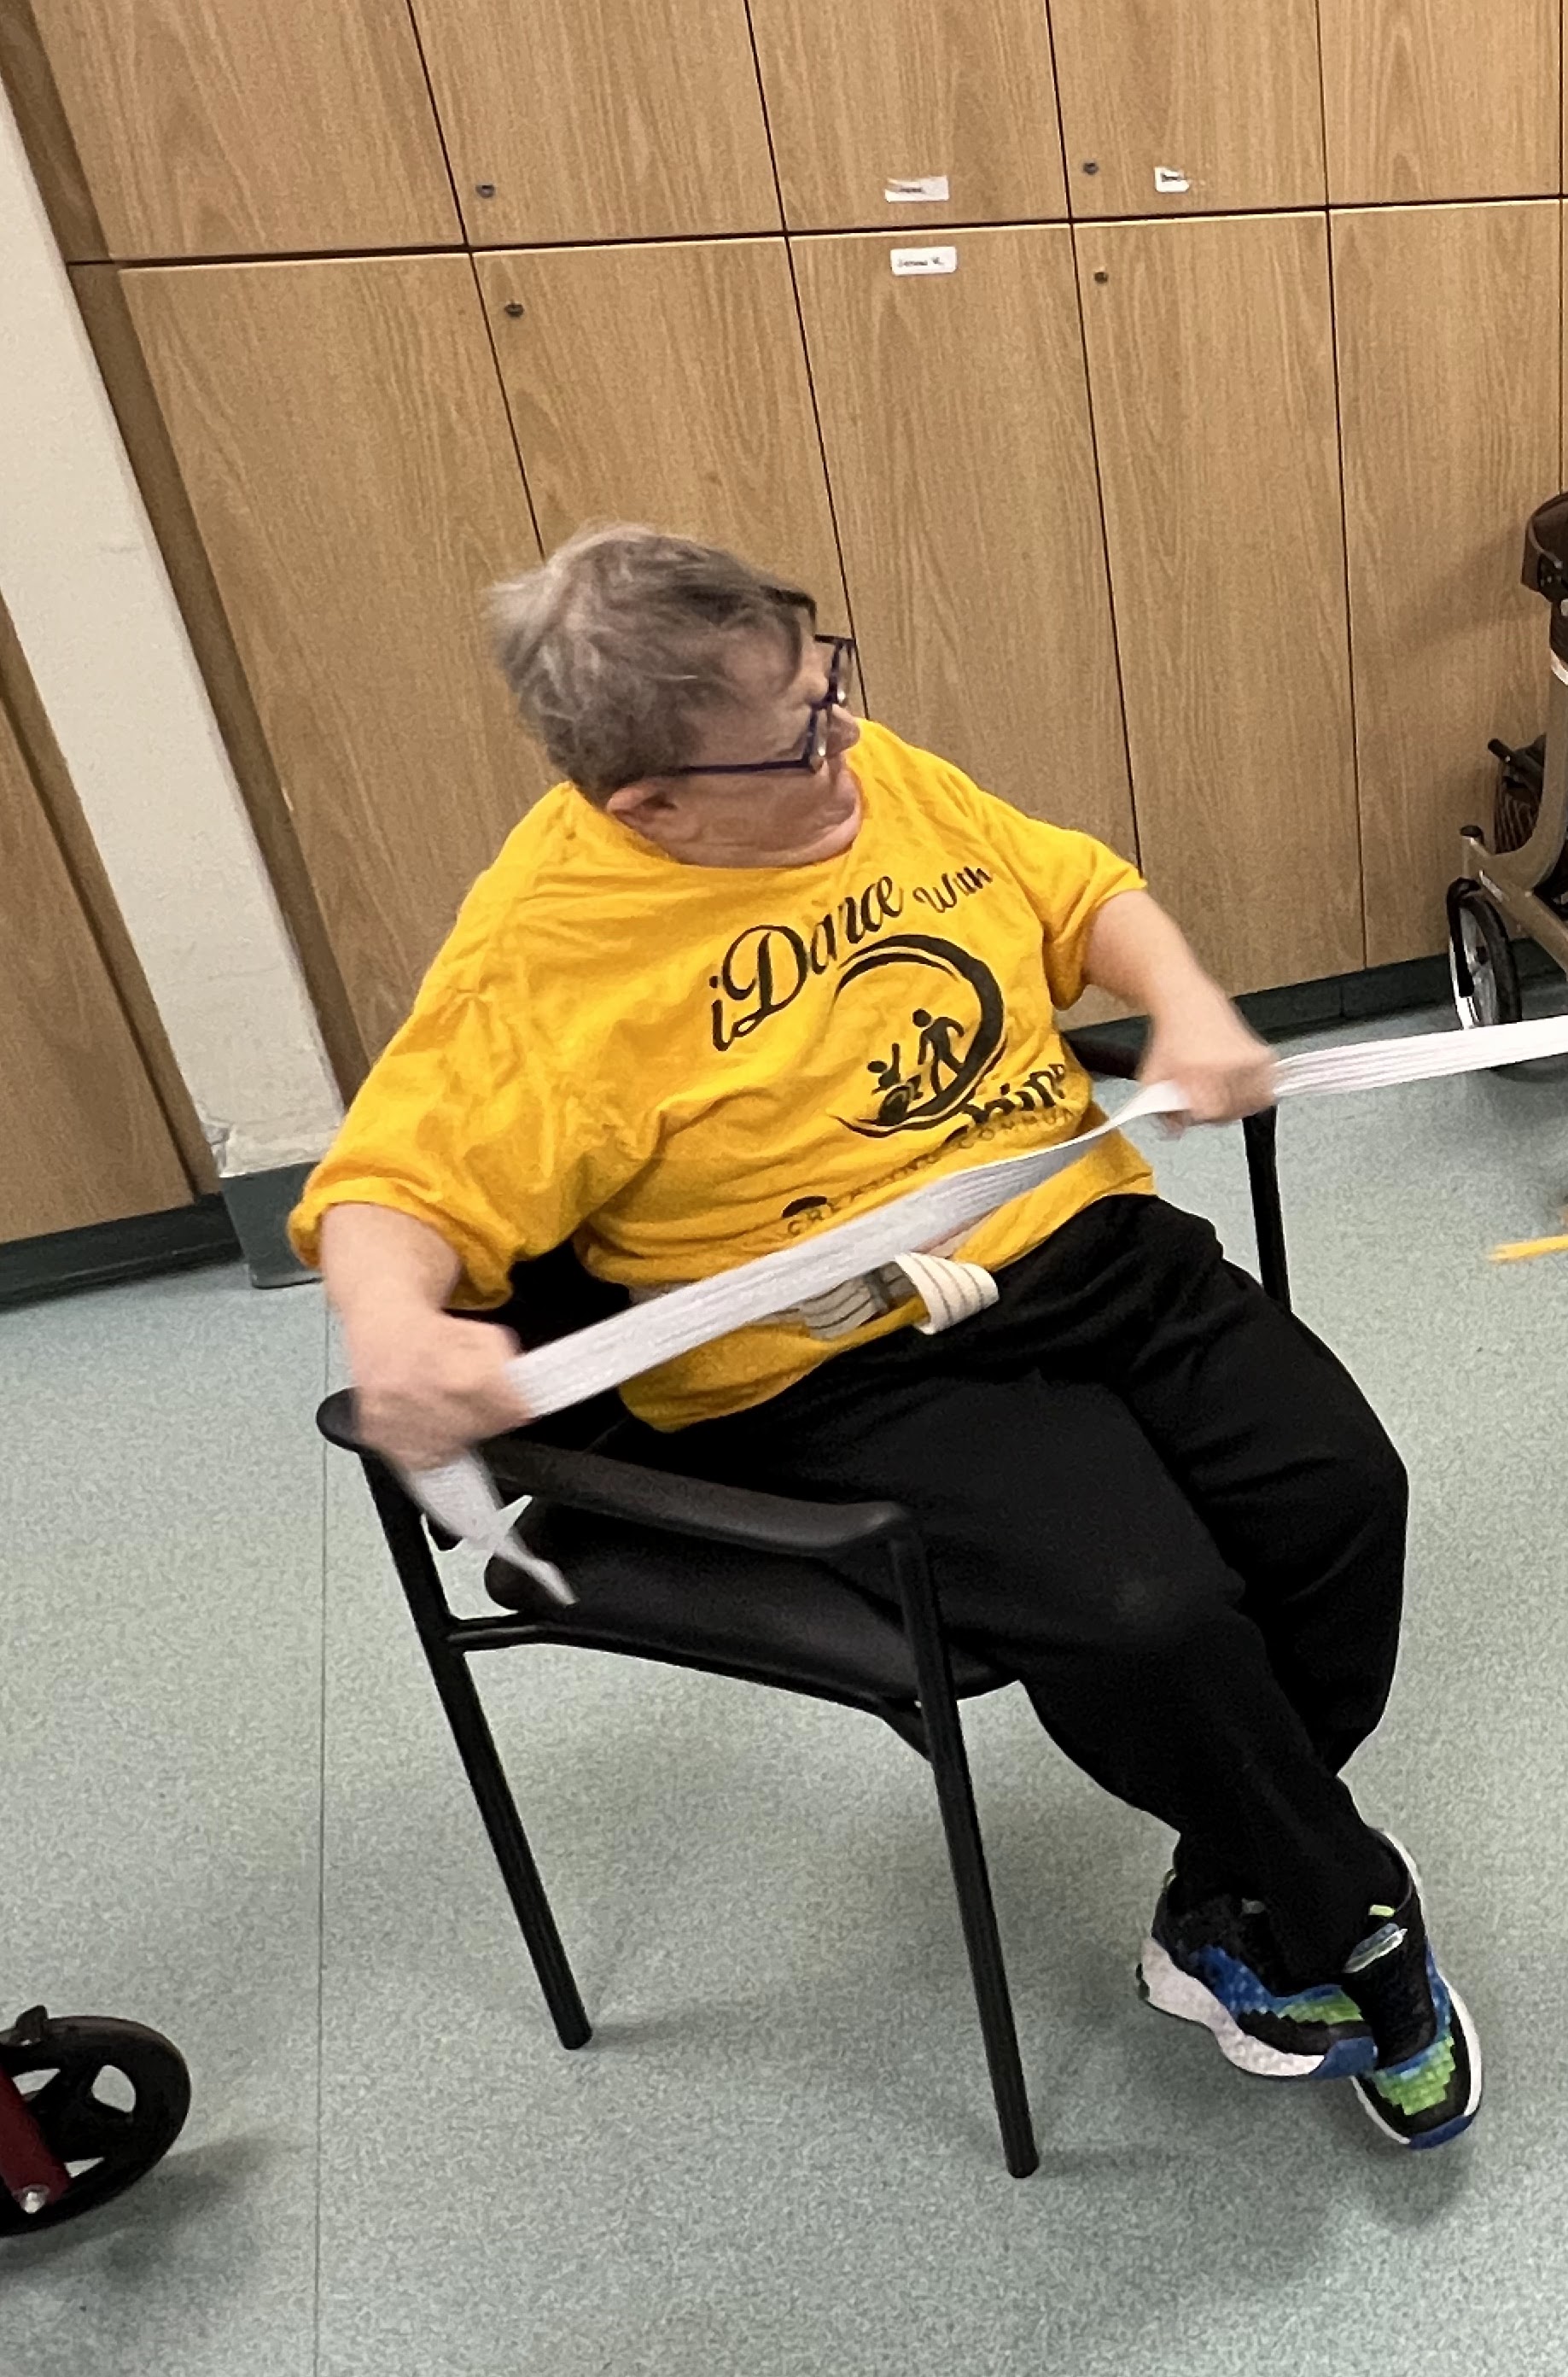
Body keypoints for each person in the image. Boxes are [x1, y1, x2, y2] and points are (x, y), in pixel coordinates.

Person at [294, 525, 1478, 2150]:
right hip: (844, 1357)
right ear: (651, 802)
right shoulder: (546, 954)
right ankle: (1338, 1906)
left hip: (1087, 1242)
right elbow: (394, 1179)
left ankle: (1237, 1889)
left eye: (827, 682)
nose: (842, 737)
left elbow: (1076, 890)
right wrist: (386, 1319)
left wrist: (1184, 996)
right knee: (1151, 1618)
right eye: (792, 736)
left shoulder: (866, 771)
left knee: (1340, 1491)